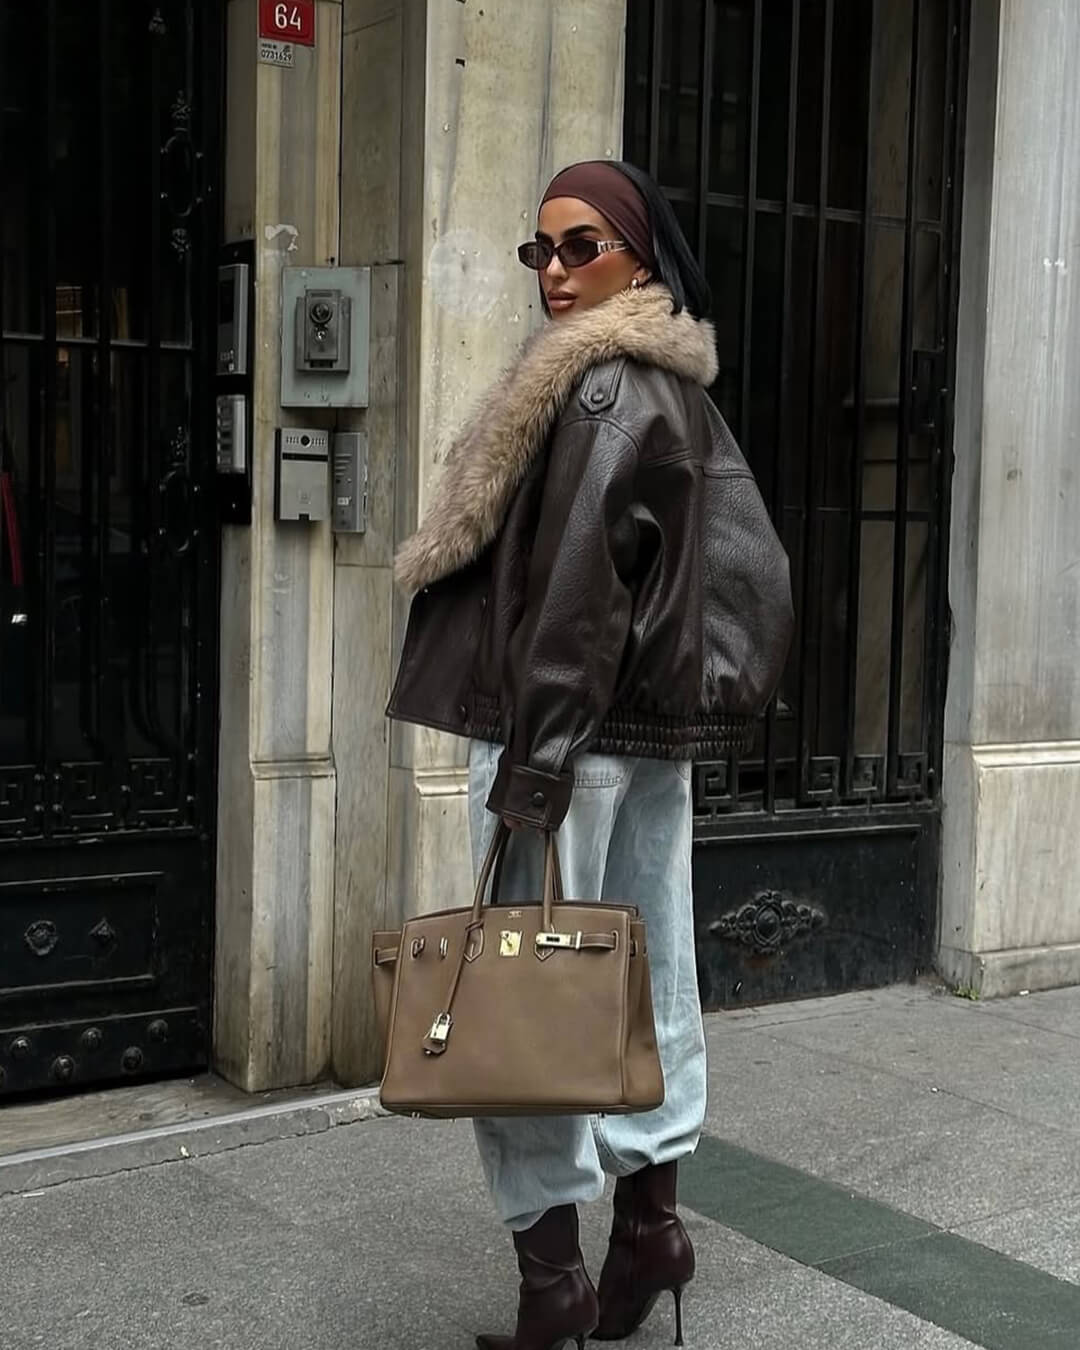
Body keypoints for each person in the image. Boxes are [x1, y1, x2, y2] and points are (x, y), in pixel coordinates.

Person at [387, 160, 793, 1350]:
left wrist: (536, 765)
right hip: (643, 743)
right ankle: (651, 1231)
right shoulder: (673, 389)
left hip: (559, 742)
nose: (556, 273)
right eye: (542, 251)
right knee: (647, 978)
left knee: (516, 998)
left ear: (640, 256)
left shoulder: (602, 388)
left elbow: (577, 594)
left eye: (581, 247)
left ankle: (551, 1284)